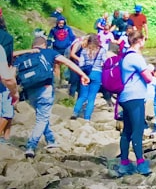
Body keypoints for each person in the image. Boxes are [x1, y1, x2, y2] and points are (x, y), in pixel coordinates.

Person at [14, 35, 90, 159]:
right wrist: (82, 75)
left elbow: (11, 60)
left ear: (33, 45)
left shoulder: (24, 56)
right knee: (42, 118)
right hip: (45, 89)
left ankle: (51, 140)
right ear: (45, 45)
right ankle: (31, 146)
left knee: (42, 116)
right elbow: (68, 62)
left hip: (30, 91)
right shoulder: (49, 52)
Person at [114, 27, 155, 175]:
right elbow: (149, 78)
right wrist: (150, 68)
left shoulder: (125, 56)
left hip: (125, 97)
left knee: (127, 130)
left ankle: (124, 162)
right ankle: (141, 163)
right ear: (139, 40)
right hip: (135, 97)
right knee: (137, 130)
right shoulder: (136, 57)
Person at [71, 34, 107, 121]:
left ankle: (75, 113)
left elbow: (81, 64)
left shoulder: (84, 51)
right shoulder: (102, 50)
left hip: (85, 74)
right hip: (97, 74)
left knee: (83, 96)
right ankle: (87, 118)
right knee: (91, 97)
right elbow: (105, 62)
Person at [0, 12, 18, 143]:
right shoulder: (6, 39)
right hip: (3, 79)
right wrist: (14, 92)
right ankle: (5, 139)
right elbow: (6, 74)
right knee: (7, 111)